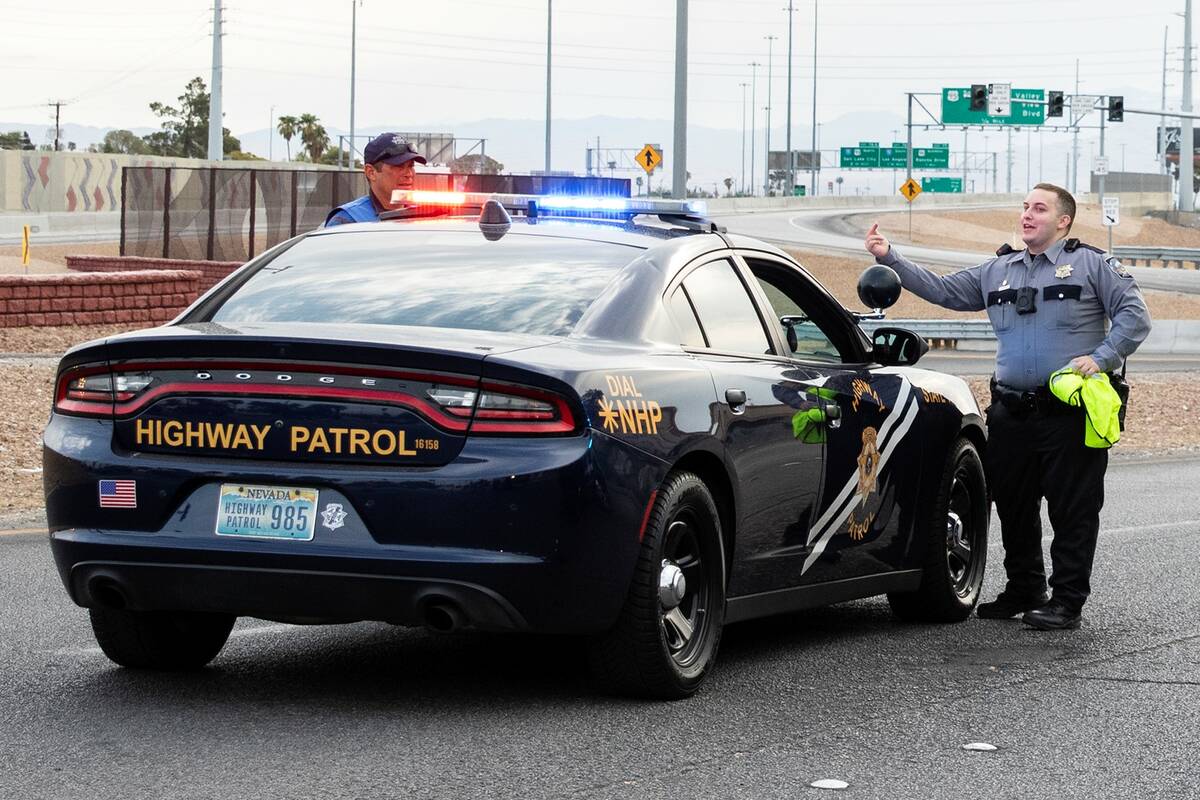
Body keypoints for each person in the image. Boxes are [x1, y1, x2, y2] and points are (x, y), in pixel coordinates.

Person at [864, 183, 1151, 630]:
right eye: (1024, 207)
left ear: (1063, 220)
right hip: (1012, 412)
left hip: (1070, 414)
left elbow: (1135, 315)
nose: (1027, 215)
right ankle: (1025, 588)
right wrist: (890, 257)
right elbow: (943, 291)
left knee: (1072, 510)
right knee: (1014, 506)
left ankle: (1067, 600)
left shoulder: (1091, 264)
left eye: (1039, 208)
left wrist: (1101, 358)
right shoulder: (999, 270)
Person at [324, 133, 427, 226]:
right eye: (398, 166)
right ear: (371, 172)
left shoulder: (426, 215)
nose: (409, 174)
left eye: (411, 166)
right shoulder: (347, 220)